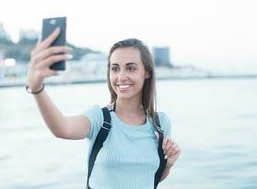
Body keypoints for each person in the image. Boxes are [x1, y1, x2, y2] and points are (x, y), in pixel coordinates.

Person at [26, 28, 180, 189]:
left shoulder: (161, 123)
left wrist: (168, 164)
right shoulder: (99, 118)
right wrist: (37, 88)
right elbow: (63, 129)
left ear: (146, 73)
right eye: (115, 68)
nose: (121, 76)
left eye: (131, 68)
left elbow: (150, 177)